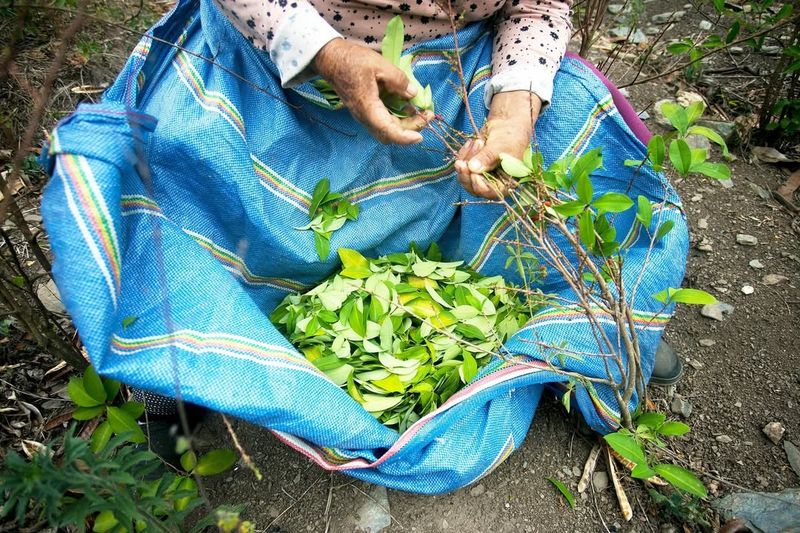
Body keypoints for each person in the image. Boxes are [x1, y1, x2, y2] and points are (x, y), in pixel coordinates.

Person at [127, 0, 682, 464]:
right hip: (282, 54)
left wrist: (513, 115)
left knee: (588, 141)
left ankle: (589, 330)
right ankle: (178, 374)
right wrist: (325, 51)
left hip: (455, 68)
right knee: (186, 181)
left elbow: (538, 6)